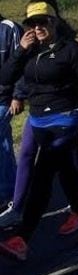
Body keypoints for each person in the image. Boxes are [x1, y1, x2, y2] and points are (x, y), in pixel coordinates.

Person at [0, 0, 78, 261]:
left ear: (54, 22)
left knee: (43, 173)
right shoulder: (28, 49)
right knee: (63, 167)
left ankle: (21, 238)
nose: (38, 27)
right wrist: (20, 50)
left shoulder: (72, 50)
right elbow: (5, 79)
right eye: (32, 23)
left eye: (43, 21)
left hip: (67, 118)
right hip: (38, 119)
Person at [0, 12, 25, 206]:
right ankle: (14, 188)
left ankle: (7, 194)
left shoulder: (9, 28)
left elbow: (21, 63)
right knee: (4, 144)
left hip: (4, 99)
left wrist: (18, 96)